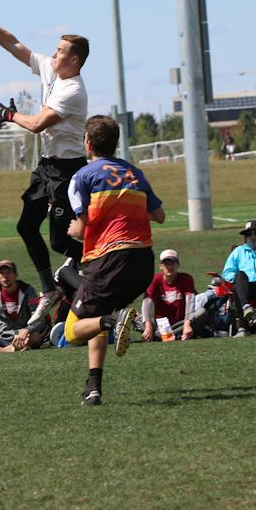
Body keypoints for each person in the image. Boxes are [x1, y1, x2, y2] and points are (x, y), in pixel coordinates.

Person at [0, 0, 88, 325]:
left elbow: (37, 124)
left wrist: (11, 116)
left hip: (68, 170)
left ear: (74, 60)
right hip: (47, 166)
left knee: (59, 241)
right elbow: (15, 44)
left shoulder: (73, 90)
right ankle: (49, 289)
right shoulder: (51, 70)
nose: (54, 53)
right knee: (26, 226)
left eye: (60, 51)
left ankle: (98, 265)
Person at [60, 115, 165, 405]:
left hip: (108, 260)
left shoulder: (82, 176)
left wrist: (73, 230)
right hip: (143, 262)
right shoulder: (134, 173)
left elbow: (80, 229)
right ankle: (94, 386)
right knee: (97, 318)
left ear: (88, 143)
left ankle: (115, 320)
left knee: (72, 330)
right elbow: (160, 215)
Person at [141, 249, 196, 341]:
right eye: (166, 263)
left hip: (181, 322)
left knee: (202, 312)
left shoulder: (186, 278)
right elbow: (147, 302)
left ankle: (161, 335)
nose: (170, 266)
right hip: (161, 324)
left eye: (172, 263)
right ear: (160, 266)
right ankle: (168, 334)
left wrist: (187, 324)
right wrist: (148, 326)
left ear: (178, 265)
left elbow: (190, 300)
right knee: (136, 317)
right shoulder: (155, 280)